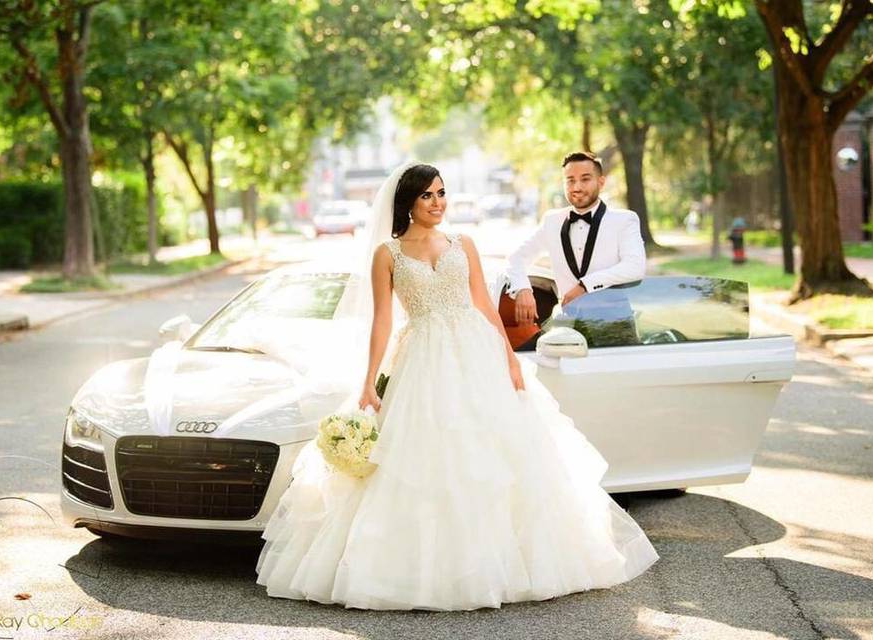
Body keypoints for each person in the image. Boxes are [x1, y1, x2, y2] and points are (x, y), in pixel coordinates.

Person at [255, 163, 658, 611]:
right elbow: (383, 321)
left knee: (496, 453)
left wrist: (509, 359)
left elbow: (484, 304)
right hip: (421, 357)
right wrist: (368, 382)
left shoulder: (463, 243)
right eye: (427, 195)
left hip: (476, 353)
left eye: (442, 193)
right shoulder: (387, 254)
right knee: (421, 456)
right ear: (407, 201)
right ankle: (420, 569)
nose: (438, 202)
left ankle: (507, 562)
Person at [505, 151, 646, 328]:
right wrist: (522, 289)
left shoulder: (624, 220)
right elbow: (515, 258)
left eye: (585, 179)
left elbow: (635, 267)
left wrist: (585, 285)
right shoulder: (552, 221)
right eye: (570, 180)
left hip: (615, 323)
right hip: (569, 325)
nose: (577, 187)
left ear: (601, 182)